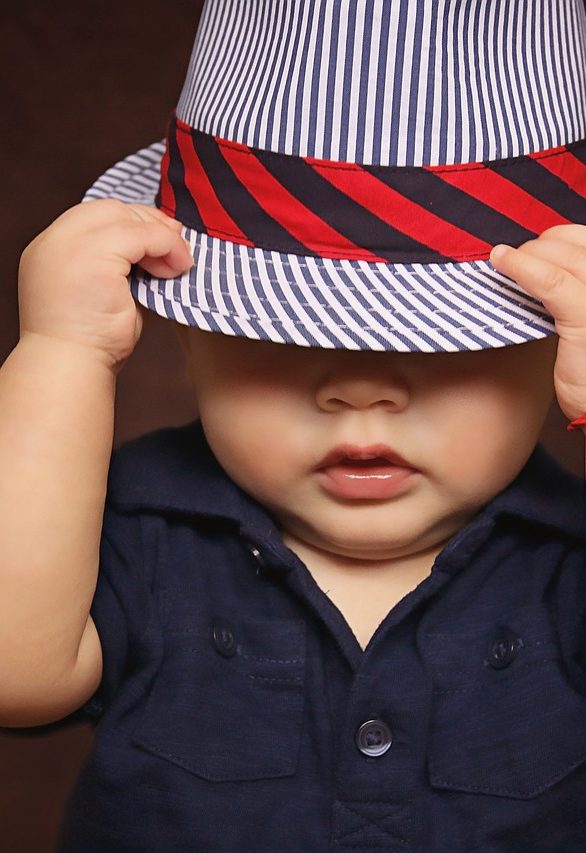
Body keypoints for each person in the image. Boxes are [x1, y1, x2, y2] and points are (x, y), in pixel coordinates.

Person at [3, 1, 586, 850]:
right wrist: (60, 355)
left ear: (551, 351)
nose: (363, 389)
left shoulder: (564, 564)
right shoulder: (136, 531)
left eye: (449, 344)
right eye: (286, 334)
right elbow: (17, 674)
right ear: (190, 335)